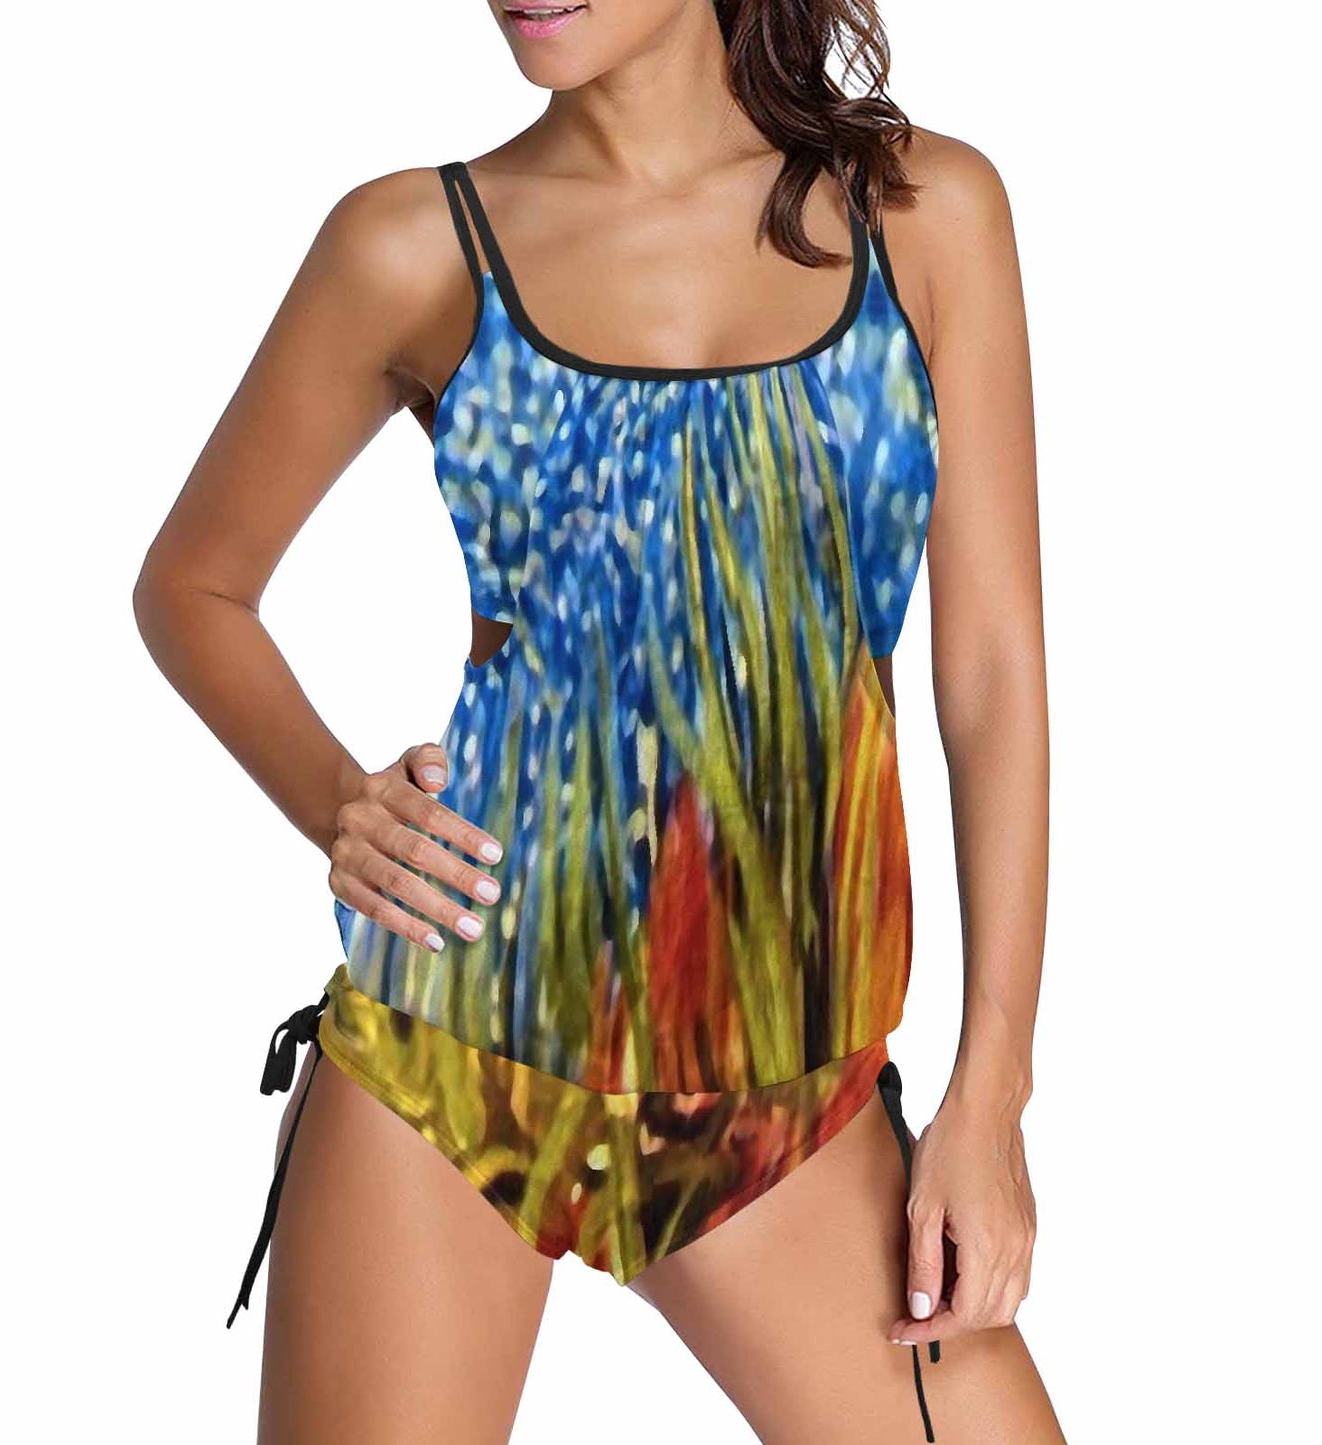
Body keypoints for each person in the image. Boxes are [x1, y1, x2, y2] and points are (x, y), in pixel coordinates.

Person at [134, 2, 1062, 1439]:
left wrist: (988, 1092)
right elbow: (193, 586)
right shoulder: (414, 244)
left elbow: (990, 673)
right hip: (454, 1059)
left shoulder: (921, 214)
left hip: (785, 1099)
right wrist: (339, 803)